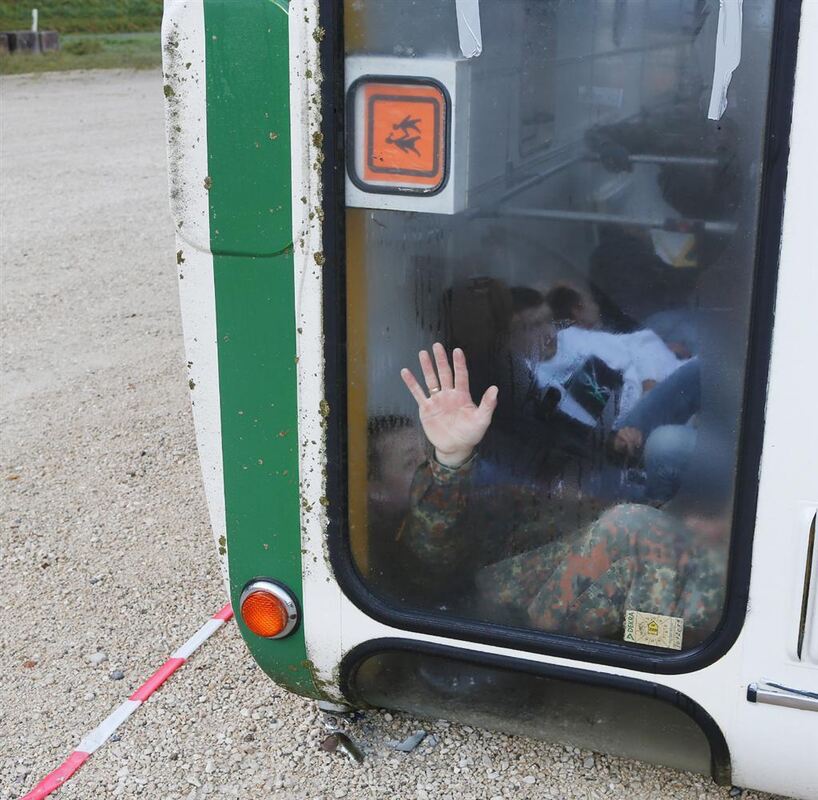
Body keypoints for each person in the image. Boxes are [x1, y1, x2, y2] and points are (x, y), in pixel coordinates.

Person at [399, 344, 729, 647]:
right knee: (637, 527)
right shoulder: (415, 536)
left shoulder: (493, 494)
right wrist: (448, 461)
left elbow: (575, 512)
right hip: (523, 614)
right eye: (409, 463)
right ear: (375, 492)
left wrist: (672, 517)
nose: (423, 471)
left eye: (426, 454)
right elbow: (432, 553)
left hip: (585, 572)